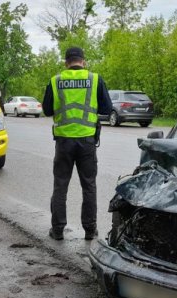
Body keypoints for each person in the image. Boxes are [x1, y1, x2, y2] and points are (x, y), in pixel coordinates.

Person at [42, 47, 112, 241]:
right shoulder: (95, 79)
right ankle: (90, 230)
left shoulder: (56, 81)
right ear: (83, 61)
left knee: (60, 186)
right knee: (89, 186)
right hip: (87, 142)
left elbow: (47, 110)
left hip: (64, 142)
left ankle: (57, 230)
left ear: (66, 62)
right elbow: (107, 108)